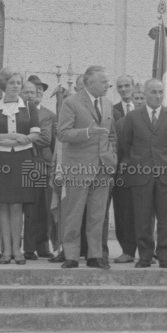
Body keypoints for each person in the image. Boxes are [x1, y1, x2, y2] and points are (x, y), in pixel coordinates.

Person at [119, 78, 167, 269]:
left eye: (160, 92)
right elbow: (126, 144)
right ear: (145, 94)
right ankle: (145, 257)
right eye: (154, 92)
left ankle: (164, 257)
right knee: (142, 219)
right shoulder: (133, 117)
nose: (158, 96)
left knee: (164, 219)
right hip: (140, 175)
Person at [56, 65, 117, 269]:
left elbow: (111, 135)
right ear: (89, 83)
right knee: (74, 213)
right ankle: (71, 255)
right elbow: (62, 133)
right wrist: (87, 133)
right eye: (103, 82)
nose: (108, 85)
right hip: (79, 167)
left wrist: (112, 156)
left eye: (107, 81)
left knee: (97, 214)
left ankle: (95, 255)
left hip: (102, 167)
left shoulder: (108, 103)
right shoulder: (71, 102)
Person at [0, 67, 40, 264]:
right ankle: (6, 251)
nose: (16, 86)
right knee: (3, 206)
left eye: (18, 82)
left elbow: (35, 134)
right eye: (12, 82)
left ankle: (18, 250)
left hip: (23, 158)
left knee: (17, 205)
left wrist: (16, 143)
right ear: (3, 85)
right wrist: (12, 135)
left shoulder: (29, 107)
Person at [21, 77, 54, 260]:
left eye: (40, 89)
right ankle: (26, 247)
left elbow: (45, 139)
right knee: (26, 208)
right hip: (19, 162)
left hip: (40, 163)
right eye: (33, 89)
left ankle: (41, 245)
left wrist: (19, 139)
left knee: (42, 208)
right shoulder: (18, 111)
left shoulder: (47, 115)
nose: (37, 92)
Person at [111, 75, 138, 263]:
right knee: (123, 213)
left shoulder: (146, 109)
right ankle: (126, 250)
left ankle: (146, 249)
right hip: (121, 172)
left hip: (145, 171)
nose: (124, 89)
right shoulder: (112, 111)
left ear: (134, 86)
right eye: (120, 86)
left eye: (127, 85)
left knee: (144, 213)